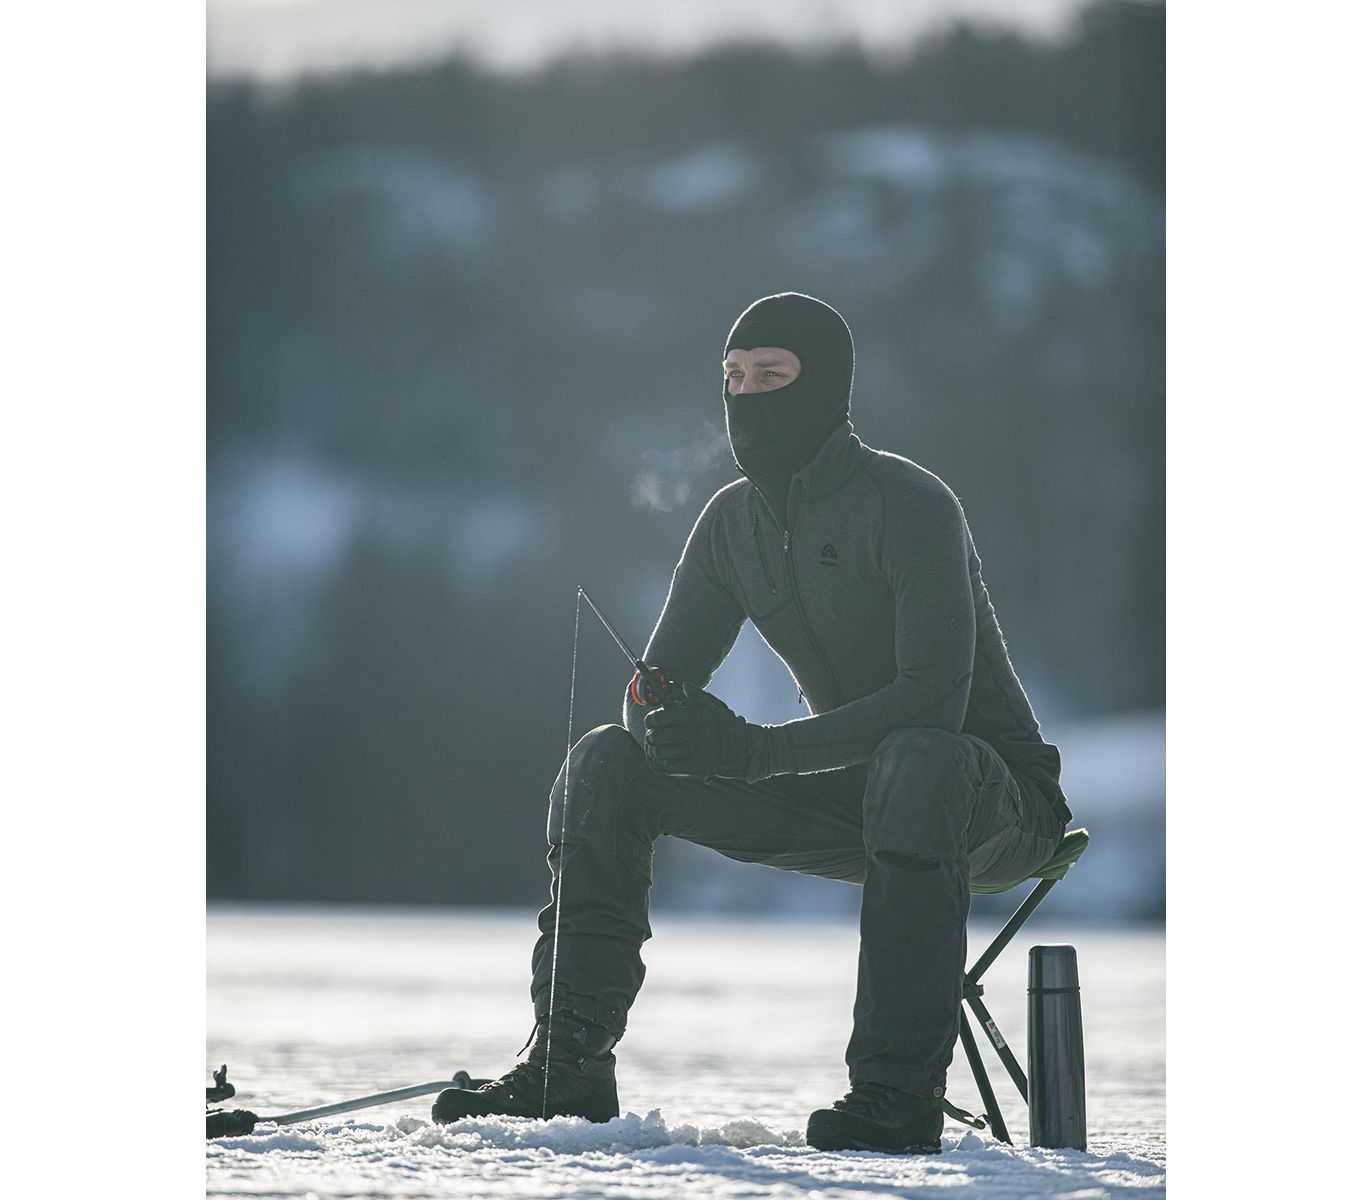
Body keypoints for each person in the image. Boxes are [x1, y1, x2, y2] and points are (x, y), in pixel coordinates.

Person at [432, 292, 1071, 1154]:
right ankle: (569, 1065)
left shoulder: (912, 504)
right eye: (734, 377)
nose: (748, 395)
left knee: (918, 760)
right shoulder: (730, 524)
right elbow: (645, 698)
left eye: (773, 375)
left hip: (994, 804)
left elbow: (933, 703)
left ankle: (895, 1096)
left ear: (829, 387)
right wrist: (668, 723)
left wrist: (755, 753)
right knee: (605, 765)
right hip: (854, 794)